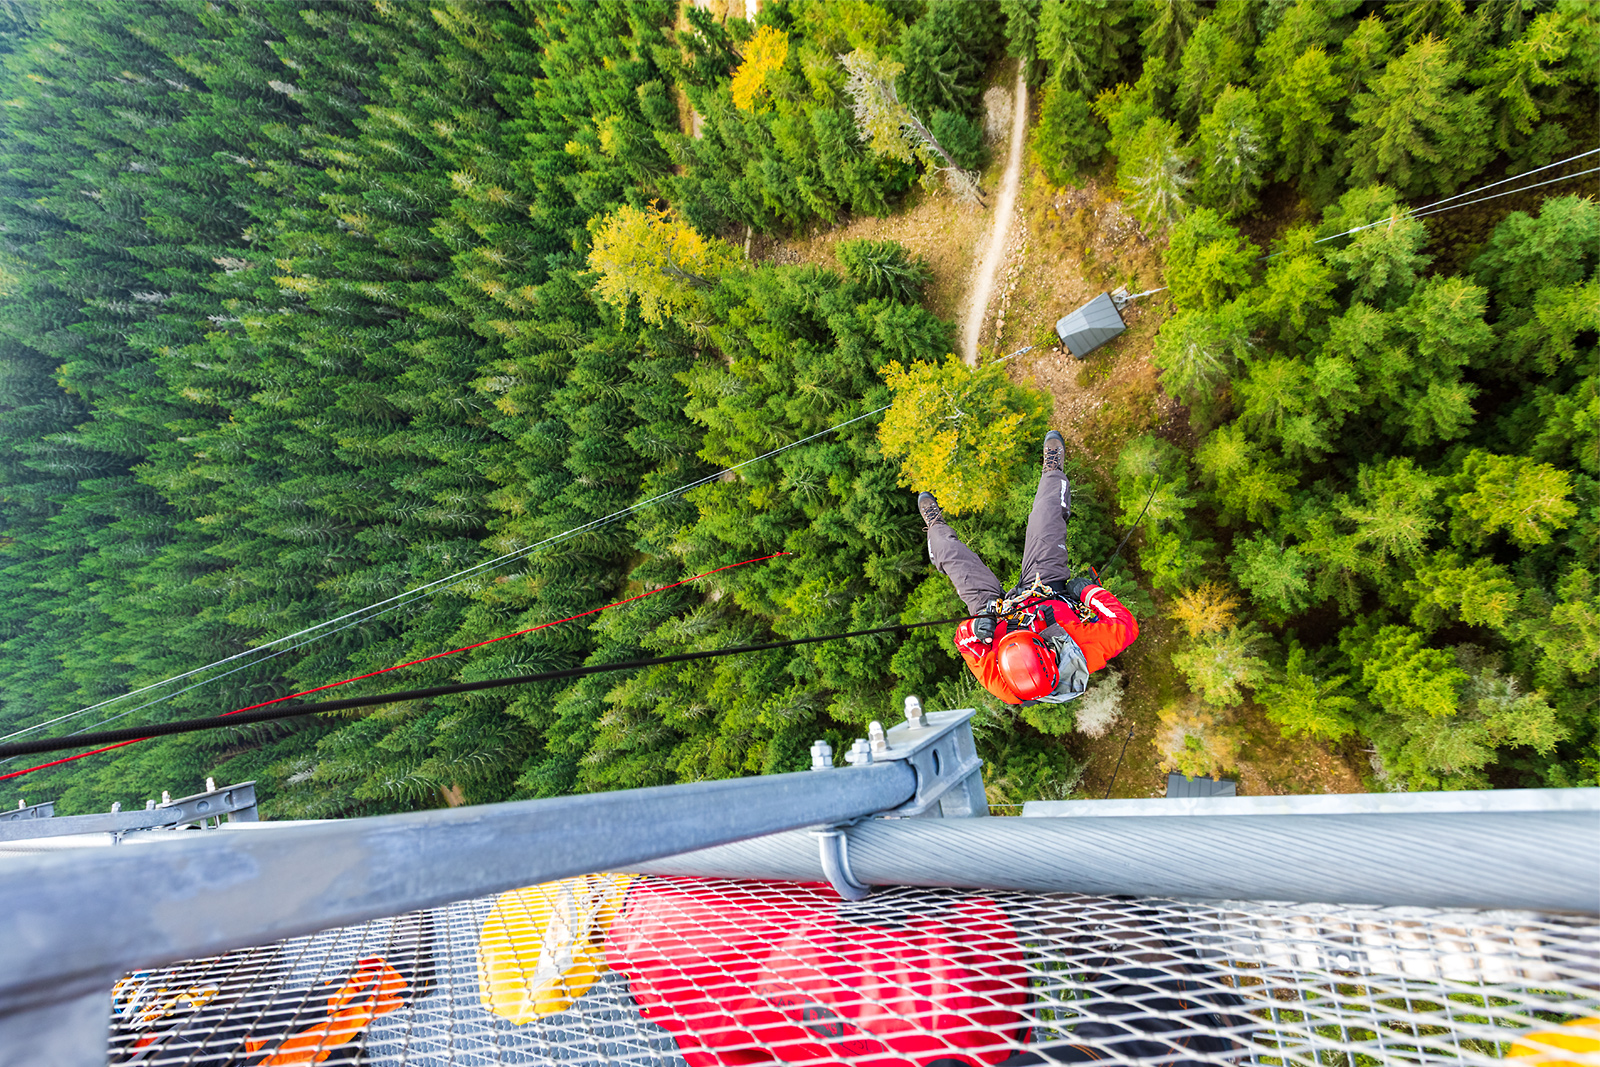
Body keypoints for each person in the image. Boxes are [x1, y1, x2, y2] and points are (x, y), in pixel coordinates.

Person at [918, 430, 1138, 706]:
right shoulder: (1082, 648)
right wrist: (1088, 592)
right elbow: (1126, 626)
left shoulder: (1002, 685)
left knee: (953, 557)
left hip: (995, 614)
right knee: (1045, 519)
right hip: (1046, 591)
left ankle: (935, 528)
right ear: (1050, 649)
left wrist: (975, 630)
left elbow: (964, 643)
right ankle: (1053, 471)